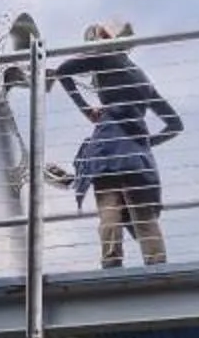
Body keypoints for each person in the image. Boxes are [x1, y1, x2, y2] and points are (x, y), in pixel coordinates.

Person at [51, 22, 184, 269]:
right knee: (143, 215)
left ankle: (111, 264)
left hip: (108, 145)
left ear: (106, 39)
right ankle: (158, 267)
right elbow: (176, 124)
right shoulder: (142, 78)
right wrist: (145, 143)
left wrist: (86, 109)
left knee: (109, 208)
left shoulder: (105, 59)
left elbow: (63, 71)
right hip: (138, 155)